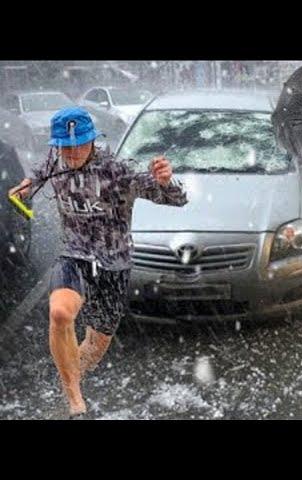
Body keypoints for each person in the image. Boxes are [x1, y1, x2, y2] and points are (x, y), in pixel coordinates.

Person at [8, 107, 188, 417]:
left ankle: (72, 373)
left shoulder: (115, 171)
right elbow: (35, 177)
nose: (71, 152)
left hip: (113, 264)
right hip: (74, 255)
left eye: (78, 145)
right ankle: (74, 400)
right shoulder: (55, 160)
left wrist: (166, 181)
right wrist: (24, 190)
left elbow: (177, 199)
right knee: (61, 313)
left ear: (93, 141)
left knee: (94, 347)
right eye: (64, 145)